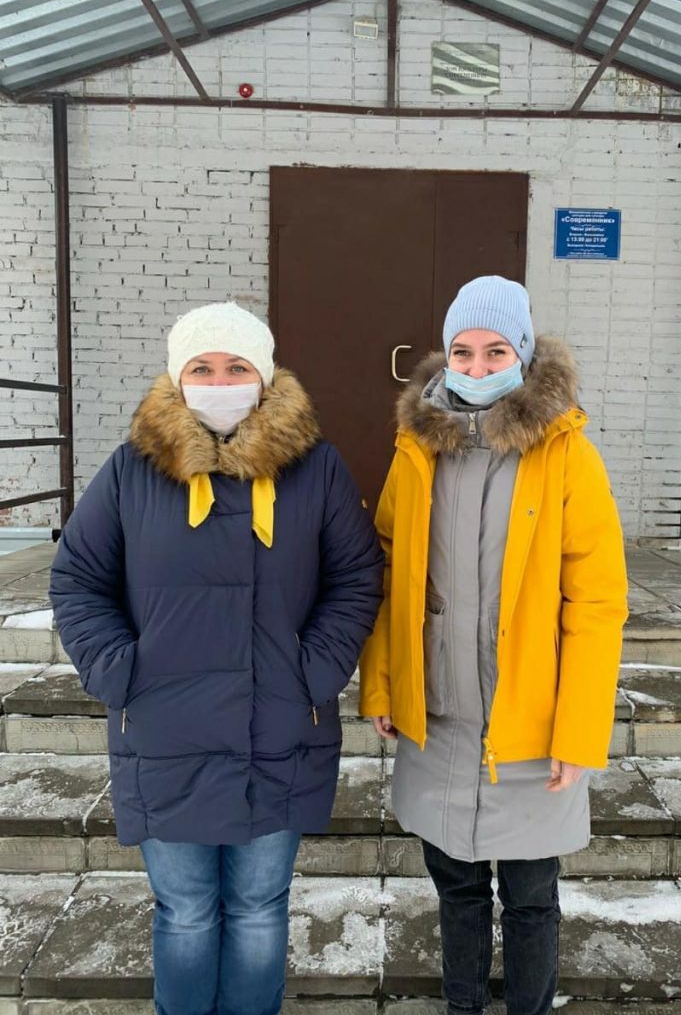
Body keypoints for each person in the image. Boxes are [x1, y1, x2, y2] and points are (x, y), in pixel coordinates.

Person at [50, 301, 383, 1015]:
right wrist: (119, 670)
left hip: (279, 729)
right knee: (186, 912)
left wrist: (315, 669)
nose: (220, 380)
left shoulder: (316, 469)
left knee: (260, 907)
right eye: (202, 367)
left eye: (237, 367)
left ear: (265, 377)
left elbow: (356, 577)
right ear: (177, 377)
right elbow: (78, 579)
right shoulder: (133, 470)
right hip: (164, 733)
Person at [359, 275, 628, 1015]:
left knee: (532, 898)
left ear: (524, 355)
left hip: (530, 725)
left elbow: (597, 601)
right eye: (463, 352)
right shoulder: (416, 449)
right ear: (445, 356)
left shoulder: (566, 453)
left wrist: (578, 730)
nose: (476, 367)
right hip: (441, 716)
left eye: (495, 351)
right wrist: (382, 684)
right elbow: (388, 572)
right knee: (458, 891)